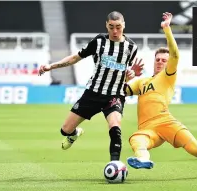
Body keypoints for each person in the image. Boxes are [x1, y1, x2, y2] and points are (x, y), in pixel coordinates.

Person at [125, 12, 197, 173]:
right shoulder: (141, 82)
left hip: (166, 122)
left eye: (164, 60)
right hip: (148, 128)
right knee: (136, 139)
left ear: (168, 64)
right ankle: (143, 159)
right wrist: (126, 76)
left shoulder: (167, 76)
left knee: (196, 150)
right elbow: (118, 91)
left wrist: (167, 29)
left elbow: (175, 55)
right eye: (157, 59)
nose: (160, 62)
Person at [38, 11, 144, 161]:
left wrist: (132, 74)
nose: (115, 31)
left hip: (115, 95)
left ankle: (115, 165)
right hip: (93, 93)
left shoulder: (131, 47)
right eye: (111, 27)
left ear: (124, 25)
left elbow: (125, 74)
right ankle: (75, 134)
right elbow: (75, 58)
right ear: (106, 25)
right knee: (65, 130)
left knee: (115, 126)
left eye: (118, 27)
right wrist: (51, 66)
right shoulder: (99, 41)